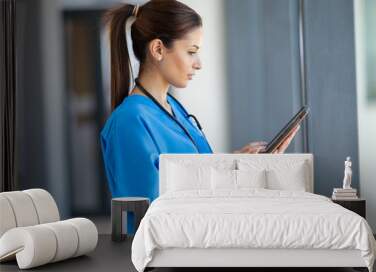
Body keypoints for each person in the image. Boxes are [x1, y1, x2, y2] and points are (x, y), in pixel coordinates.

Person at [100, 0, 299, 208]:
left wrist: (238, 162)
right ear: (158, 49)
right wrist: (233, 174)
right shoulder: (128, 121)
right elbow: (153, 211)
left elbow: (196, 174)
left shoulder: (173, 108)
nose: (198, 63)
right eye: (191, 51)